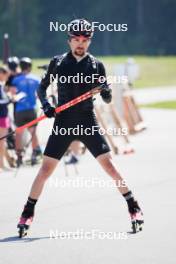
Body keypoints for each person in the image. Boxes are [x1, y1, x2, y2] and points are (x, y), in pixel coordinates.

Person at [17, 19, 144, 236]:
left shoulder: (96, 65)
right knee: (45, 170)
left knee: (110, 167)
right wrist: (47, 106)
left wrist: (105, 90)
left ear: (89, 41)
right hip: (63, 122)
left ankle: (134, 207)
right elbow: (42, 88)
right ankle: (27, 213)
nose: (80, 44)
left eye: (85, 40)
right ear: (69, 40)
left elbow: (106, 98)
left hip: (87, 121)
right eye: (76, 39)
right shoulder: (57, 63)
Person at [11, 57, 42, 166]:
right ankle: (35, 154)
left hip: (20, 109)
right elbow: (39, 94)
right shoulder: (35, 79)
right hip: (31, 109)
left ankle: (19, 156)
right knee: (33, 132)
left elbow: (13, 94)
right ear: (30, 67)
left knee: (19, 133)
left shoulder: (16, 80)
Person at [0, 66, 10, 172]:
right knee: (2, 142)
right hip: (1, 116)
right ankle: (1, 165)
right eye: (6, 75)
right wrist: (10, 100)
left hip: (3, 116)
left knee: (3, 142)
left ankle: (2, 164)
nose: (7, 78)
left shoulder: (2, 85)